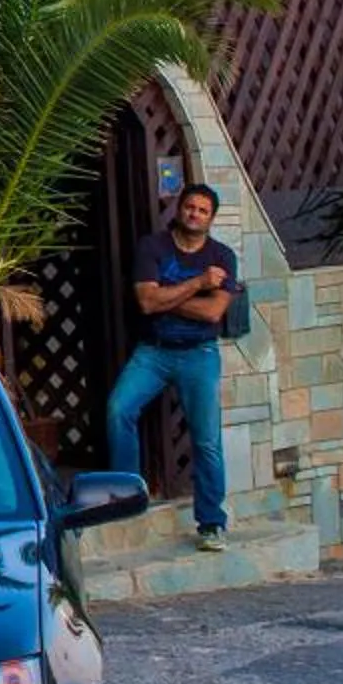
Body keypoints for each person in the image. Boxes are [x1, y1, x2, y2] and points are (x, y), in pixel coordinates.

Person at [104, 182, 239, 551]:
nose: (195, 214)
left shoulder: (223, 256)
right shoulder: (154, 246)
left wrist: (166, 294)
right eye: (190, 207)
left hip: (200, 354)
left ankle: (212, 523)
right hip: (154, 351)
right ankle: (126, 497)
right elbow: (146, 303)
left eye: (203, 210)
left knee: (207, 439)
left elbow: (213, 312)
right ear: (179, 210)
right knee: (119, 409)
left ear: (211, 218)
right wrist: (197, 283)